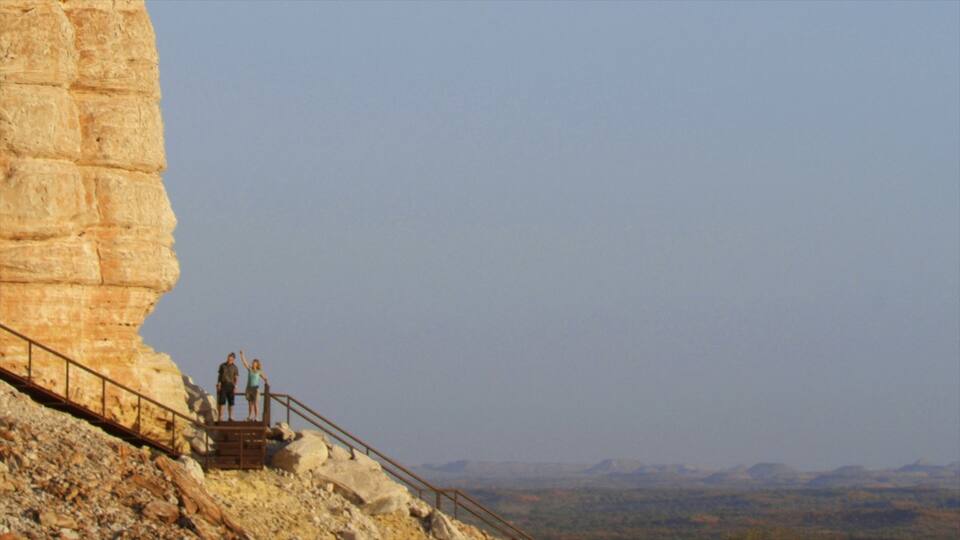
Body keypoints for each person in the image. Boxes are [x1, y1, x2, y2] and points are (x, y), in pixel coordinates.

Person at [239, 350, 269, 422]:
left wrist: (266, 382)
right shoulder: (250, 369)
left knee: (256, 403)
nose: (253, 364)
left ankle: (256, 416)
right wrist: (242, 355)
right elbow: (244, 363)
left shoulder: (259, 371)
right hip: (249, 388)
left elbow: (265, 377)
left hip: (256, 388)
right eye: (253, 363)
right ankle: (250, 416)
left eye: (254, 363)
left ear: (257, 364)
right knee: (250, 403)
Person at [216, 352, 239, 422]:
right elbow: (220, 376)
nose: (229, 359)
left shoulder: (235, 367)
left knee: (231, 402)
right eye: (228, 358)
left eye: (231, 358)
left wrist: (235, 386)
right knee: (222, 402)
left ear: (233, 359)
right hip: (223, 384)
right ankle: (221, 417)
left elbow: (236, 378)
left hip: (231, 385)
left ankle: (230, 417)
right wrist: (219, 384)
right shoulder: (222, 365)